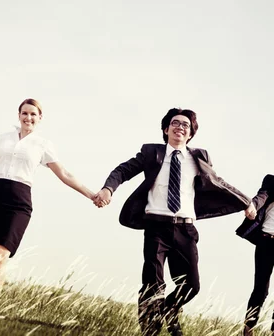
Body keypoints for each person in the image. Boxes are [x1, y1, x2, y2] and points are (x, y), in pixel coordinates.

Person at [93, 108, 254, 336]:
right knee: (153, 284)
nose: (180, 127)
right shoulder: (151, 153)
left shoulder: (199, 158)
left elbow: (219, 182)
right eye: (175, 123)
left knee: (192, 286)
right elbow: (123, 170)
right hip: (156, 226)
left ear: (190, 134)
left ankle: (169, 310)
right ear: (166, 129)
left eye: (185, 125)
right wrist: (108, 189)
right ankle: (151, 331)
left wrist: (246, 201)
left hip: (185, 229)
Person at [0, 98, 96, 319]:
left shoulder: (43, 145)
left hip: (18, 202)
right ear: (19, 115)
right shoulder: (3, 138)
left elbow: (64, 174)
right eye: (24, 113)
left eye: (33, 114)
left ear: (40, 118)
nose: (28, 117)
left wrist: (91, 194)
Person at [236, 174, 274, 336]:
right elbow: (261, 196)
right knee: (260, 288)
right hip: (267, 241)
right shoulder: (271, 181)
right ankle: (248, 328)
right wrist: (251, 205)